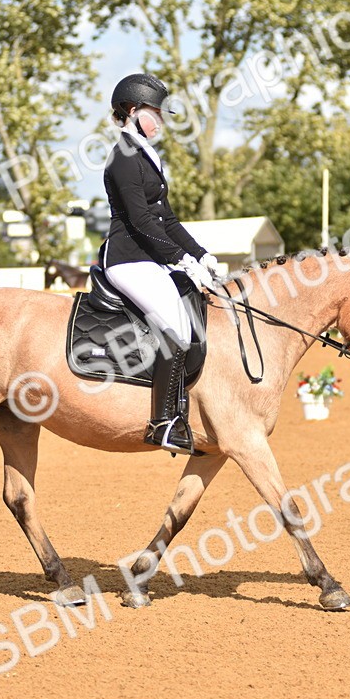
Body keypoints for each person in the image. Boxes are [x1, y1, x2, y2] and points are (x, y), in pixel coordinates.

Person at [102, 72, 220, 455]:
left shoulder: (146, 157)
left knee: (190, 315)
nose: (163, 120)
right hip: (127, 259)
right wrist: (180, 259)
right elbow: (140, 221)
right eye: (157, 111)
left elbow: (167, 220)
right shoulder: (123, 156)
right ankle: (163, 423)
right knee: (177, 327)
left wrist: (202, 255)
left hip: (150, 258)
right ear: (134, 111)